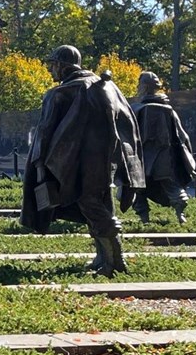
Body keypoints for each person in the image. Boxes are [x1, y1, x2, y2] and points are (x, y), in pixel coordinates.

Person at [20, 46, 145, 275]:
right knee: (100, 202)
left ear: (63, 66)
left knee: (91, 205)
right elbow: (128, 123)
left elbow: (45, 132)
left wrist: (39, 166)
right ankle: (103, 257)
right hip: (107, 159)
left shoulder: (58, 94)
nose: (50, 70)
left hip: (71, 164)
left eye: (53, 65)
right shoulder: (107, 87)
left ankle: (114, 262)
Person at [130, 72, 196, 225]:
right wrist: (188, 161)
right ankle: (180, 215)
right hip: (164, 158)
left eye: (139, 84)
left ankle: (144, 219)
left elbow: (128, 134)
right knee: (172, 186)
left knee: (138, 188)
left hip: (142, 158)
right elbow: (182, 136)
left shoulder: (135, 109)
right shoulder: (168, 109)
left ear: (143, 87)